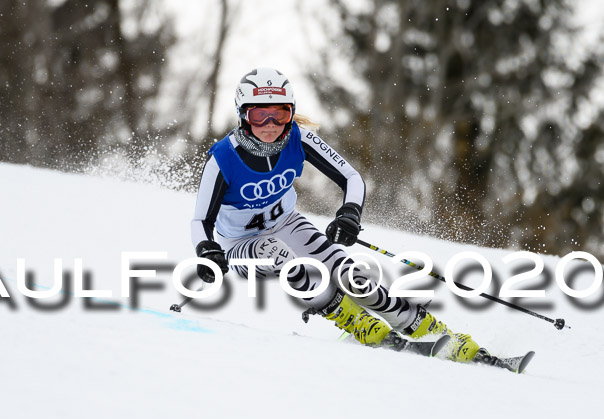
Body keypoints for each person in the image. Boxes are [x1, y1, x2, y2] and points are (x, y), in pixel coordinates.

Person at [190, 67, 484, 362]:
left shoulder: (298, 139)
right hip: (239, 246)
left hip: (287, 225)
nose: (270, 124)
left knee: (352, 277)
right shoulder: (223, 158)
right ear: (242, 114)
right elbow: (201, 221)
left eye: (279, 114)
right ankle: (357, 323)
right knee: (279, 255)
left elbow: (352, 178)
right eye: (259, 115)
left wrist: (349, 214)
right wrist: (207, 250)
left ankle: (431, 330)